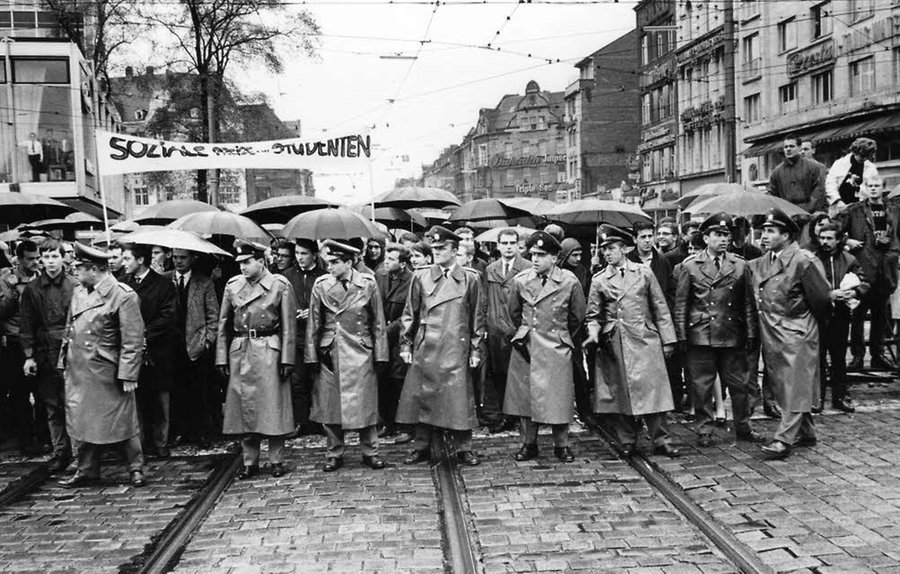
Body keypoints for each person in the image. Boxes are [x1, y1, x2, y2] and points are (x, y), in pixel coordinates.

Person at [586, 225, 680, 458]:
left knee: (654, 391)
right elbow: (593, 315)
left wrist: (668, 340)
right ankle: (627, 440)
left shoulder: (644, 273)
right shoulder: (599, 280)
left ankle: (662, 440)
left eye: (611, 248)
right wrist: (594, 332)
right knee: (621, 393)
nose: (607, 253)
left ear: (624, 249)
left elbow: (660, 307)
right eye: (604, 249)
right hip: (615, 341)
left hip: (645, 338)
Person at [58, 243, 146, 488]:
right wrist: (63, 362)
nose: (75, 271)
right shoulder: (79, 292)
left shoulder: (122, 295)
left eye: (79, 268)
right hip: (80, 370)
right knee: (82, 420)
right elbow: (70, 330)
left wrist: (129, 373)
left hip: (107, 370)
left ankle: (135, 467)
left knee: (123, 421)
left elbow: (133, 338)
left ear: (94, 269)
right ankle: (87, 470)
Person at [397, 226, 486, 466]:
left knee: (458, 399)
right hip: (427, 344)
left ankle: (464, 447)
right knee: (423, 397)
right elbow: (410, 314)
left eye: (441, 248)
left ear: (455, 250)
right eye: (434, 248)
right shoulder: (421, 276)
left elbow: (477, 317)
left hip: (456, 345)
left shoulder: (470, 278)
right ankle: (421, 446)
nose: (436, 252)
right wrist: (405, 344)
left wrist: (476, 349)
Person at [673, 213, 764, 447]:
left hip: (731, 332)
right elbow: (682, 303)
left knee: (740, 385)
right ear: (705, 238)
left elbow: (748, 303)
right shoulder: (690, 266)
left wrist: (752, 333)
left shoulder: (739, 265)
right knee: (701, 385)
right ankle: (705, 429)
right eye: (718, 235)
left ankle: (744, 426)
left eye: (726, 235)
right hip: (701, 333)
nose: (723, 239)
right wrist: (681, 335)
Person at [751, 209, 834, 460]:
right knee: (784, 383)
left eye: (770, 231)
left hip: (797, 330)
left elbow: (821, 298)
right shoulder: (765, 260)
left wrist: (806, 325)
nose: (764, 236)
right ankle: (806, 432)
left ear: (786, 235)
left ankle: (784, 438)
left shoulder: (803, 260)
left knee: (794, 383)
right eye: (763, 231)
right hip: (774, 331)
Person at [217, 240, 297, 479]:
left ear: (261, 262)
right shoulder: (232, 286)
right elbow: (222, 325)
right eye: (240, 263)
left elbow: (288, 327)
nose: (242, 267)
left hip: (268, 349)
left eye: (247, 262)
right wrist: (221, 358)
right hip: (241, 349)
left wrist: (287, 359)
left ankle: (276, 460)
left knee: (273, 406)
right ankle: (250, 461)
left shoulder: (278, 285)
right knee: (245, 407)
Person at [306, 240, 388, 472]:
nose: (329, 266)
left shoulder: (368, 283)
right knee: (331, 405)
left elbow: (379, 322)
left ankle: (370, 452)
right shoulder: (321, 285)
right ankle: (334, 453)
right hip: (330, 351)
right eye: (328, 262)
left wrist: (381, 355)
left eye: (335, 262)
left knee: (365, 403)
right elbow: (314, 322)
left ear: (349, 262)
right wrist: (311, 355)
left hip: (360, 349)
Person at [505, 231, 585, 462]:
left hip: (556, 346)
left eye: (541, 255)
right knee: (526, 400)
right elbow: (514, 312)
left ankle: (561, 445)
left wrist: (560, 336)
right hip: (527, 346)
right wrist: (525, 333)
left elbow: (577, 316)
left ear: (554, 257)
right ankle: (528, 444)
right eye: (533, 255)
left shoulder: (569, 281)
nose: (536, 259)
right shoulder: (521, 280)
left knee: (559, 398)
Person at [19, 240, 76, 472]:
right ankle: (60, 451)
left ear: (63, 258)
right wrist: (29, 356)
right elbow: (26, 324)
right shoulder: (32, 289)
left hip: (70, 350)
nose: (51, 262)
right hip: (44, 353)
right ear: (41, 260)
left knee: (72, 403)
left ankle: (79, 453)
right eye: (47, 257)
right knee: (52, 405)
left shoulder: (74, 286)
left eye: (55, 256)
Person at [838, 175, 900, 371]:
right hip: (864, 268)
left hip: (886, 268)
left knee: (881, 315)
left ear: (883, 188)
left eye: (877, 186)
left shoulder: (895, 210)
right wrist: (847, 241)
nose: (873, 189)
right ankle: (857, 355)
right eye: (870, 186)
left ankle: (878, 354)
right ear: (865, 188)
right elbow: (835, 228)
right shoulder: (854, 210)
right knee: (858, 314)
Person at [122, 244, 179, 458]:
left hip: (159, 351)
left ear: (140, 260)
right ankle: (140, 444)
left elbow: (169, 315)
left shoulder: (163, 285)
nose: (124, 263)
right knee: (135, 400)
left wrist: (146, 334)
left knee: (160, 399)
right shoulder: (123, 285)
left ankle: (161, 442)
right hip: (132, 351)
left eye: (127, 259)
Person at [274, 239, 326, 436]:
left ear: (314, 254)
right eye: (297, 253)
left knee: (319, 379)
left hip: (317, 335)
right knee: (297, 381)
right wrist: (293, 312)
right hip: (295, 335)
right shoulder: (286, 277)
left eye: (304, 253)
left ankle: (321, 420)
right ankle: (301, 421)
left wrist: (313, 313)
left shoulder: (323, 277)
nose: (300, 257)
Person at [814, 223, 867, 414]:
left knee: (839, 359)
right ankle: (817, 398)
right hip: (819, 315)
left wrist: (854, 293)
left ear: (838, 240)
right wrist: (828, 295)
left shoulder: (849, 259)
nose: (825, 242)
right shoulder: (812, 258)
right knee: (817, 358)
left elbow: (864, 281)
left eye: (829, 238)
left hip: (841, 316)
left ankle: (840, 396)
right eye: (822, 238)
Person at [482, 228, 530, 433]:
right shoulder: (490, 269)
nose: (508, 247)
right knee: (499, 373)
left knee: (519, 374)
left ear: (518, 245)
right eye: (505, 243)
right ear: (498, 245)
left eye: (512, 243)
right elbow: (485, 300)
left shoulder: (527, 267)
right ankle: (505, 415)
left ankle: (522, 416)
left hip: (517, 330)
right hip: (495, 331)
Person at [170, 248, 219, 447]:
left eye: (183, 258)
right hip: (173, 345)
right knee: (176, 391)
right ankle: (181, 431)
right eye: (175, 258)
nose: (178, 262)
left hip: (197, 345)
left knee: (199, 391)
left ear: (192, 258)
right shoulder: (166, 280)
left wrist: (207, 341)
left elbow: (213, 316)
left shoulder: (204, 282)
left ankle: (201, 432)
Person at [0, 240, 42, 455]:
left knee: (43, 393)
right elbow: (2, 311)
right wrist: (13, 294)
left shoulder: (41, 278)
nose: (35, 262)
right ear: (19, 259)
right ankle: (25, 440)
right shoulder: (7, 280)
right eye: (30, 259)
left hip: (38, 341)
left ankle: (43, 437)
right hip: (15, 341)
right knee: (20, 394)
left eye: (37, 258)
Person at [375, 243, 414, 443]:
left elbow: (410, 313)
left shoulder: (412, 280)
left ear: (402, 263)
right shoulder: (380, 276)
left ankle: (405, 426)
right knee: (383, 381)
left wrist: (387, 330)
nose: (386, 262)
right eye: (386, 258)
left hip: (400, 339)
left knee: (400, 382)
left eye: (391, 259)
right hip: (382, 339)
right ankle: (387, 423)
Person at [766, 135, 826, 213]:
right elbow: (772, 194)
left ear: (799, 147)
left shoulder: (813, 167)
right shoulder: (776, 172)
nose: (788, 149)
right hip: (787, 215)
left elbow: (818, 192)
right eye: (786, 147)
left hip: (809, 214)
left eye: (791, 146)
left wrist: (807, 210)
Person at [826, 137, 879, 213]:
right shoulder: (839, 164)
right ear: (855, 152)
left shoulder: (871, 168)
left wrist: (858, 188)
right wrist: (837, 201)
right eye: (862, 156)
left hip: (860, 207)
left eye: (867, 157)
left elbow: (873, 189)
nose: (864, 159)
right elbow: (830, 185)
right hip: (839, 206)